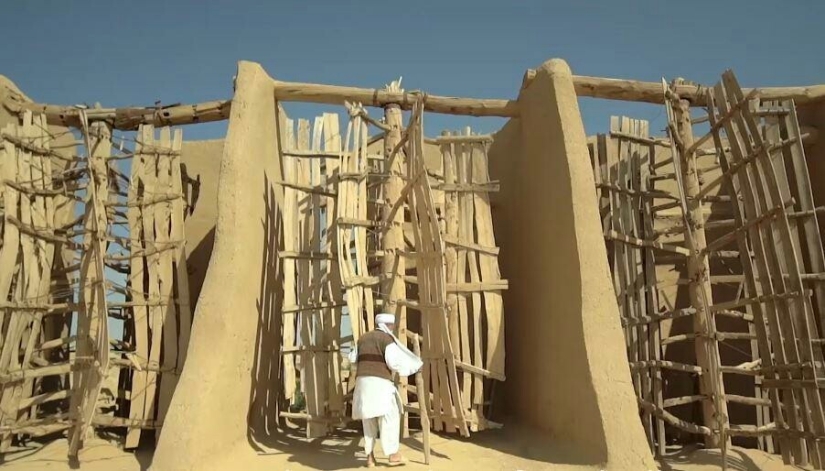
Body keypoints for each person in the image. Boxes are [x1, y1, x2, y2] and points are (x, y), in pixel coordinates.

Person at [348, 313, 422, 467]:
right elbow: (393, 362)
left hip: (362, 384)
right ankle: (393, 454)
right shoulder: (386, 340)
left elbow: (352, 359)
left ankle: (370, 458)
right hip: (379, 384)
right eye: (392, 326)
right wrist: (408, 367)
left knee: (368, 420)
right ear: (389, 326)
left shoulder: (363, 338)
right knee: (390, 416)